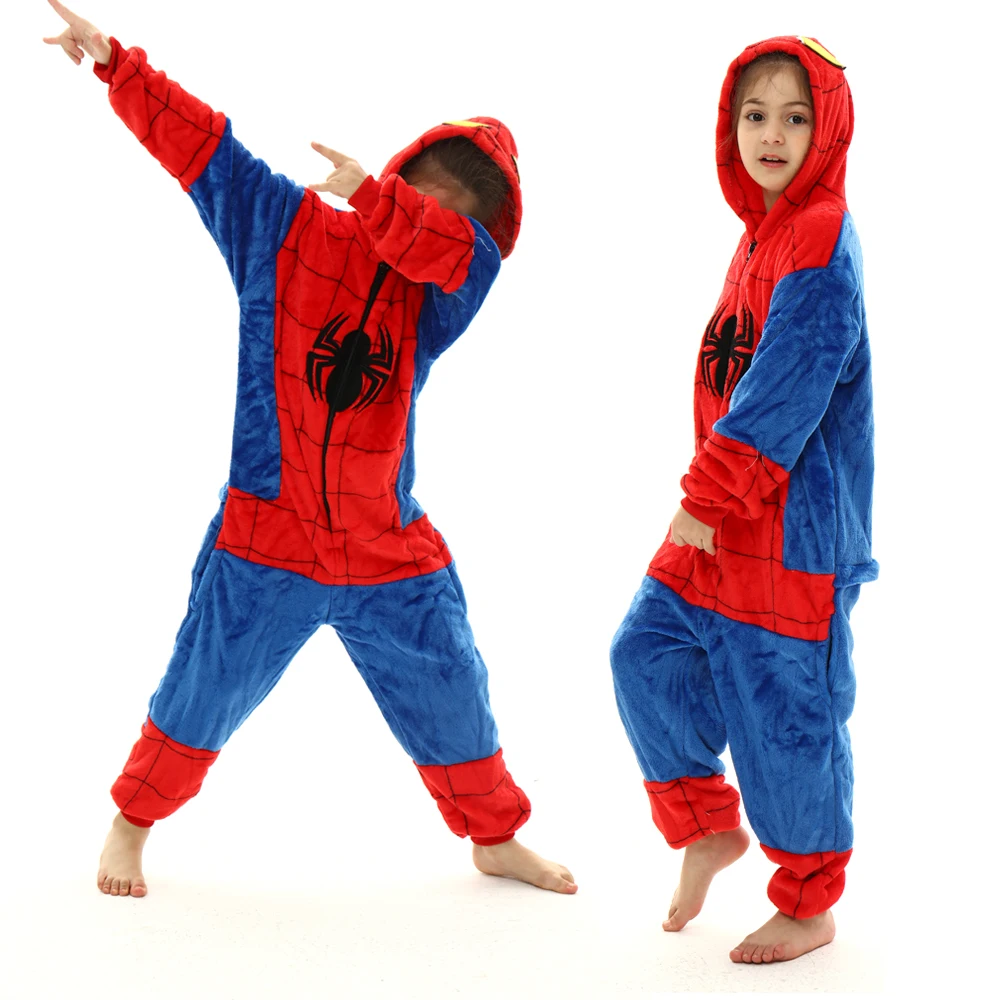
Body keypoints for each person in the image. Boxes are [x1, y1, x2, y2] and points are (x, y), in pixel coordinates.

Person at [42, 0, 576, 900]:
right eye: (422, 197)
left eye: (452, 221)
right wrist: (115, 66)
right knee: (201, 685)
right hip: (270, 533)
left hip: (385, 543)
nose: (426, 228)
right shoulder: (283, 226)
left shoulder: (441, 295)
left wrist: (380, 201)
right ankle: (131, 824)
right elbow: (202, 146)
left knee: (452, 682)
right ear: (403, 177)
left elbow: (462, 256)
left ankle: (494, 837)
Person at [609, 35, 877, 964]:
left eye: (795, 118)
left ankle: (807, 902)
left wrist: (708, 493)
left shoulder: (820, 237)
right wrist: (713, 498)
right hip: (726, 515)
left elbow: (787, 387)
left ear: (826, 131)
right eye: (754, 115)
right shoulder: (765, 229)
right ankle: (706, 827)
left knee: (783, 713)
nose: (771, 134)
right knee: (645, 653)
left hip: (789, 530)